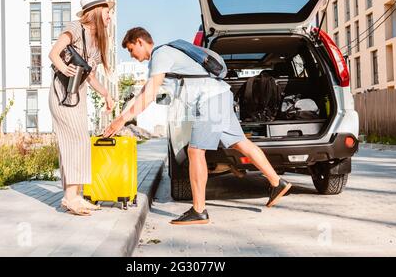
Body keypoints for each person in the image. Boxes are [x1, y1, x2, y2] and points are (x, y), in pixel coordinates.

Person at [103, 27, 292, 225]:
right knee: (240, 142)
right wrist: (123, 113)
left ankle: (199, 210)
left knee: (195, 151)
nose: (133, 56)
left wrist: (122, 120)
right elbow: (145, 91)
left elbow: (149, 95)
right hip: (219, 95)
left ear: (140, 41)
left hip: (210, 100)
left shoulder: (160, 54)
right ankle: (277, 182)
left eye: (132, 50)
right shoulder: (163, 61)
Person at [49, 0, 115, 216]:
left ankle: (75, 196)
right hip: (62, 92)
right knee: (75, 140)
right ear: (96, 12)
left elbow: (91, 76)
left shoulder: (96, 43)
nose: (109, 17)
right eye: (107, 12)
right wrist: (62, 67)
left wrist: (106, 94)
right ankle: (70, 198)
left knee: (80, 142)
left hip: (79, 94)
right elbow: (53, 53)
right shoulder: (76, 28)